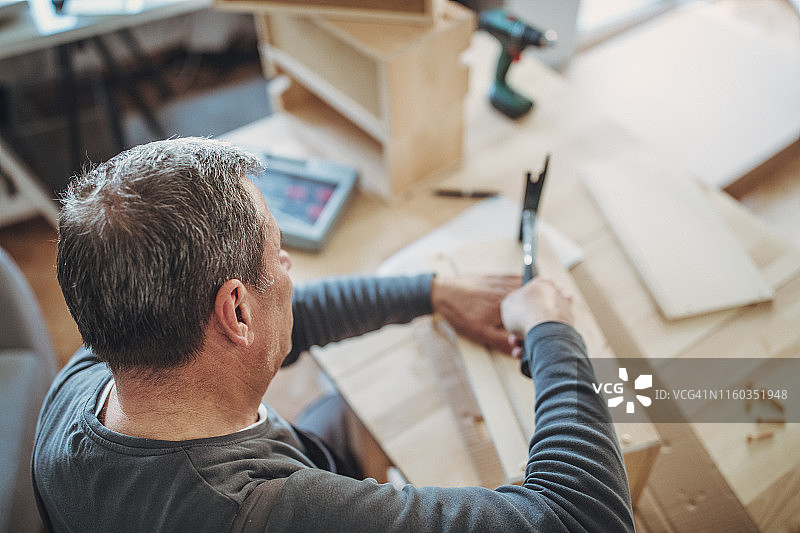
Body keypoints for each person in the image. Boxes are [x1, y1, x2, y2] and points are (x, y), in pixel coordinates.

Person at [32, 138, 634, 532]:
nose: (290, 273)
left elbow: (285, 323)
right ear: (237, 311)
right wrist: (552, 331)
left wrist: (429, 292)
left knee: (336, 411)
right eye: (279, 256)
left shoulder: (91, 371)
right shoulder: (269, 512)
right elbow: (583, 519)